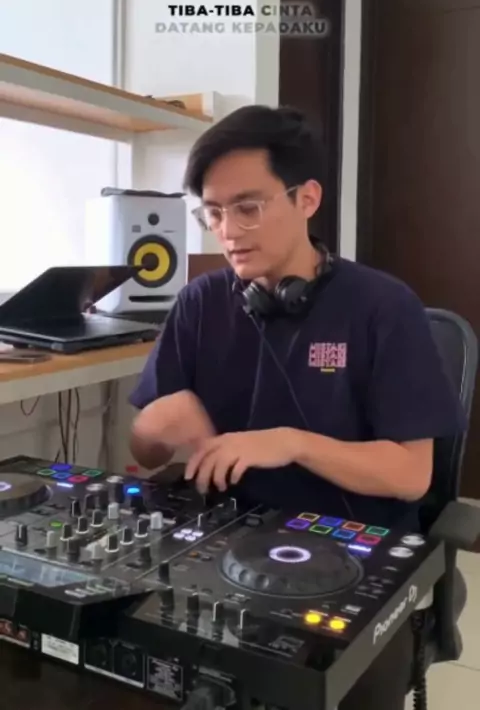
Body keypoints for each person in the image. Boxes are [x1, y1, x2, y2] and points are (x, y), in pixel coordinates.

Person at [128, 104, 466, 710]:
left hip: (350, 557)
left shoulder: (383, 307)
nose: (228, 230)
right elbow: (145, 450)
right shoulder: (201, 303)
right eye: (213, 213)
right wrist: (156, 426)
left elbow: (412, 475)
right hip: (223, 548)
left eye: (248, 208)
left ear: (307, 199)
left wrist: (291, 442)